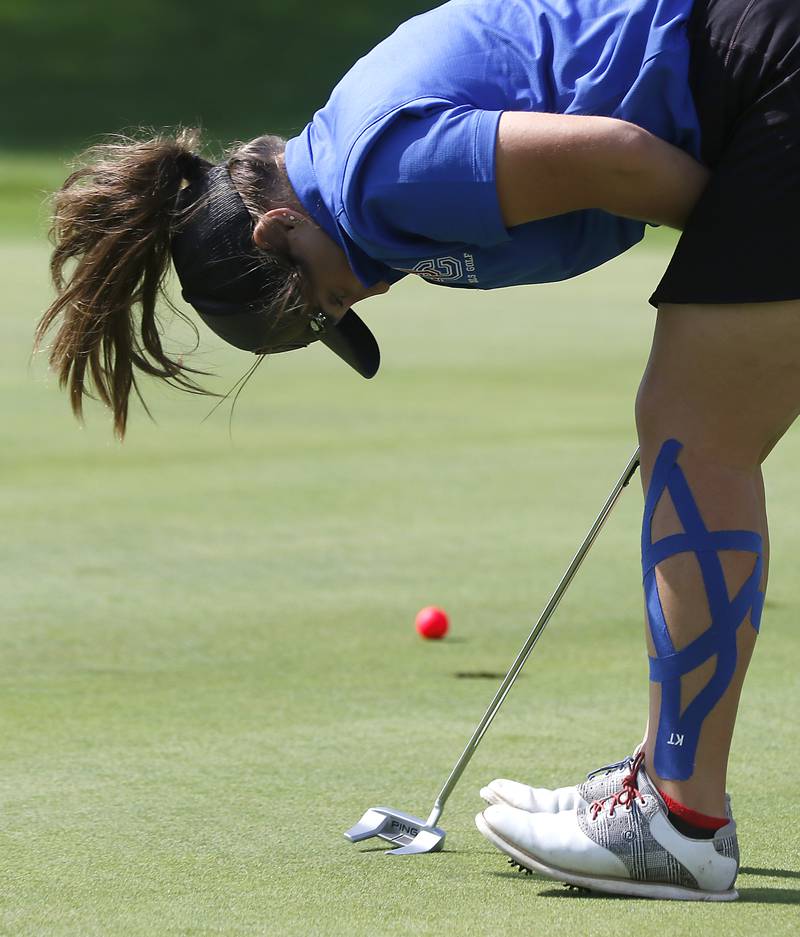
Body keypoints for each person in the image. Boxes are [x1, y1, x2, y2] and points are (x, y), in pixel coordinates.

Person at [36, 0, 800, 901]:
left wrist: (741, 258)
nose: (361, 299)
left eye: (324, 299)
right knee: (690, 415)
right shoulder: (351, 166)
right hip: (758, 80)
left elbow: (625, 159)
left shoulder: (376, 178)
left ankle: (678, 819)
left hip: (767, 72)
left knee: (694, 433)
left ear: (276, 231)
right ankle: (664, 779)